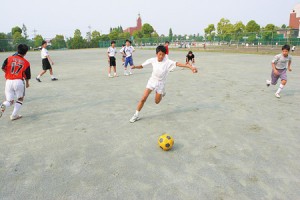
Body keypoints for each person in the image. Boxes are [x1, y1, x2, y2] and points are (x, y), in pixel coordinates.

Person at [129, 45, 198, 123]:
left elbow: (178, 64)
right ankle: (136, 115)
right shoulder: (152, 60)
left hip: (161, 83)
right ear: (156, 54)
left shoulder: (167, 62)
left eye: (163, 54)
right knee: (143, 98)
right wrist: (135, 67)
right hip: (152, 81)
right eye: (159, 54)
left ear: (165, 55)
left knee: (157, 102)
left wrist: (190, 67)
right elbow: (142, 66)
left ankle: (162, 93)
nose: (161, 56)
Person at [0, 44, 31, 120]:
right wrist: (27, 83)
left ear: (17, 50)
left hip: (9, 81)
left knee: (10, 101)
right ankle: (14, 115)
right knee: (20, 98)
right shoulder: (26, 62)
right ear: (26, 52)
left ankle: (3, 105)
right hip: (19, 81)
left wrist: (9, 73)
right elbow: (27, 75)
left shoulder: (9, 58)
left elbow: (3, 68)